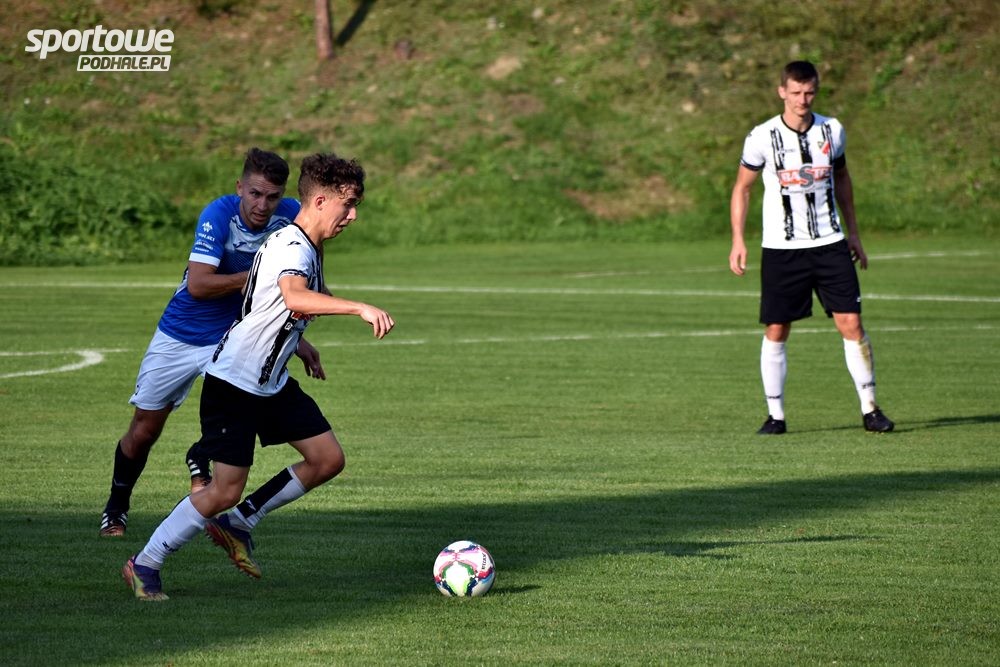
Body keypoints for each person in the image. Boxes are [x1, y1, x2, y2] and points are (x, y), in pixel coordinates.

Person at [123, 152, 395, 601]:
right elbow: (293, 296)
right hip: (235, 385)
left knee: (327, 459)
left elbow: (273, 302)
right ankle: (145, 562)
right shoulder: (292, 246)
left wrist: (298, 342)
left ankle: (240, 523)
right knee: (223, 490)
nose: (352, 216)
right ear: (321, 201)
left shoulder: (306, 243)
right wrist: (359, 307)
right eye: (348, 205)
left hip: (270, 383)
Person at [100, 148, 326, 537]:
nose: (262, 205)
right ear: (240, 187)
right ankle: (116, 506)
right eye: (255, 194)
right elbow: (200, 284)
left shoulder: (291, 217)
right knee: (145, 429)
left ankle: (202, 453)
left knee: (248, 403)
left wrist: (297, 340)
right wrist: (261, 275)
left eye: (272, 196)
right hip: (181, 333)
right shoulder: (219, 215)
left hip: (232, 338)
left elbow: (301, 288)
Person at [728, 60, 894, 435]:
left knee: (851, 323)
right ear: (782, 92)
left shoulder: (832, 130)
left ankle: (870, 409)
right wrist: (738, 239)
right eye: (796, 92)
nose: (803, 100)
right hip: (782, 248)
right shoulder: (762, 137)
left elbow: (842, 178)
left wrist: (854, 233)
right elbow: (743, 188)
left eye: (809, 92)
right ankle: (775, 416)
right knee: (777, 328)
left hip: (830, 243)